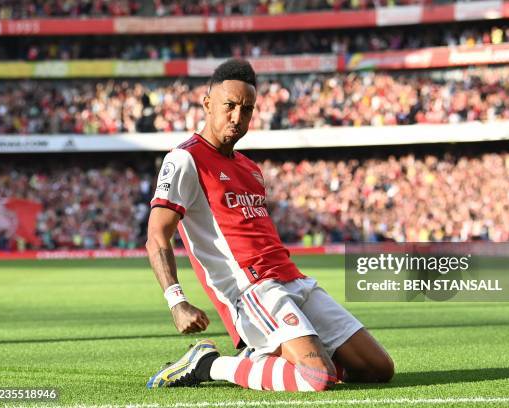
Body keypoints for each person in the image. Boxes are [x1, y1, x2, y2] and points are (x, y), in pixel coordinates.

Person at [145, 59, 393, 392]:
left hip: (295, 280)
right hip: (251, 290)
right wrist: (177, 301)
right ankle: (208, 364)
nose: (237, 117)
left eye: (246, 109)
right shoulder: (185, 159)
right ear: (207, 104)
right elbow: (157, 234)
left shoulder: (250, 168)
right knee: (316, 378)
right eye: (229, 106)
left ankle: (274, 355)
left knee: (378, 369)